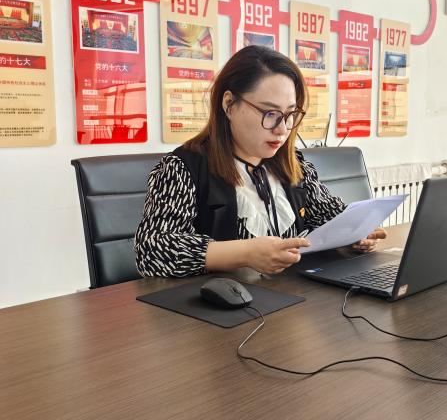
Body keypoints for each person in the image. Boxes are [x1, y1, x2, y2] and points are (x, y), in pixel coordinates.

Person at [135, 45, 386, 278]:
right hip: (219, 306)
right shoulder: (182, 169)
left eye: (290, 114)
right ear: (229, 104)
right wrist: (246, 253)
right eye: (270, 113)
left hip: (295, 299)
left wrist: (354, 235)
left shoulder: (294, 165)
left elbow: (331, 217)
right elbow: (152, 250)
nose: (282, 129)